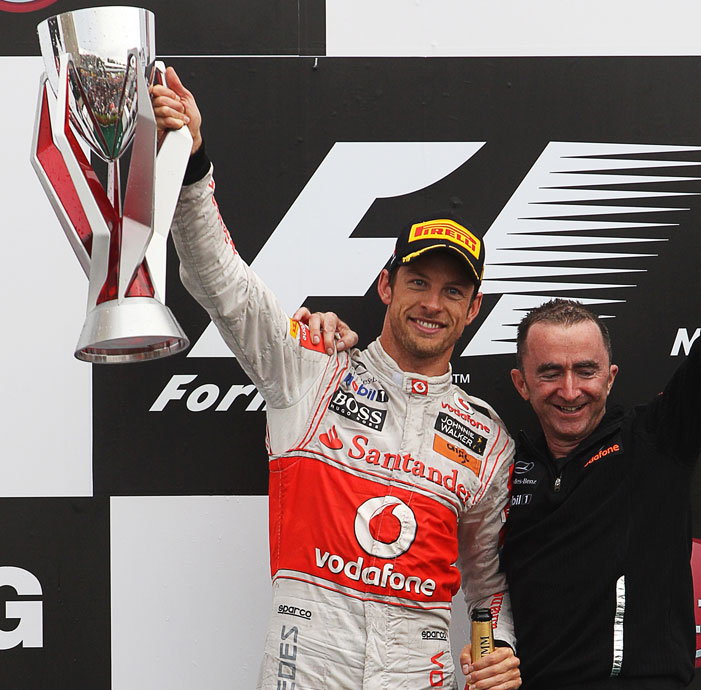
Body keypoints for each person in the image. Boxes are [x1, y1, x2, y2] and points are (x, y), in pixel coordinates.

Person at [152, 67, 521, 690]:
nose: (433, 304)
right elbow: (222, 284)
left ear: (473, 309)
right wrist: (192, 166)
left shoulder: (487, 439)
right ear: (386, 285)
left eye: (454, 291)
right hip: (305, 670)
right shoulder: (311, 367)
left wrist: (499, 650)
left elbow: (489, 587)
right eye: (418, 282)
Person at [489, 132, 701, 689]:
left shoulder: (658, 441)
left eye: (586, 370)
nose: (570, 389)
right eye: (550, 373)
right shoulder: (496, 463)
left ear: (611, 377)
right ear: (521, 384)